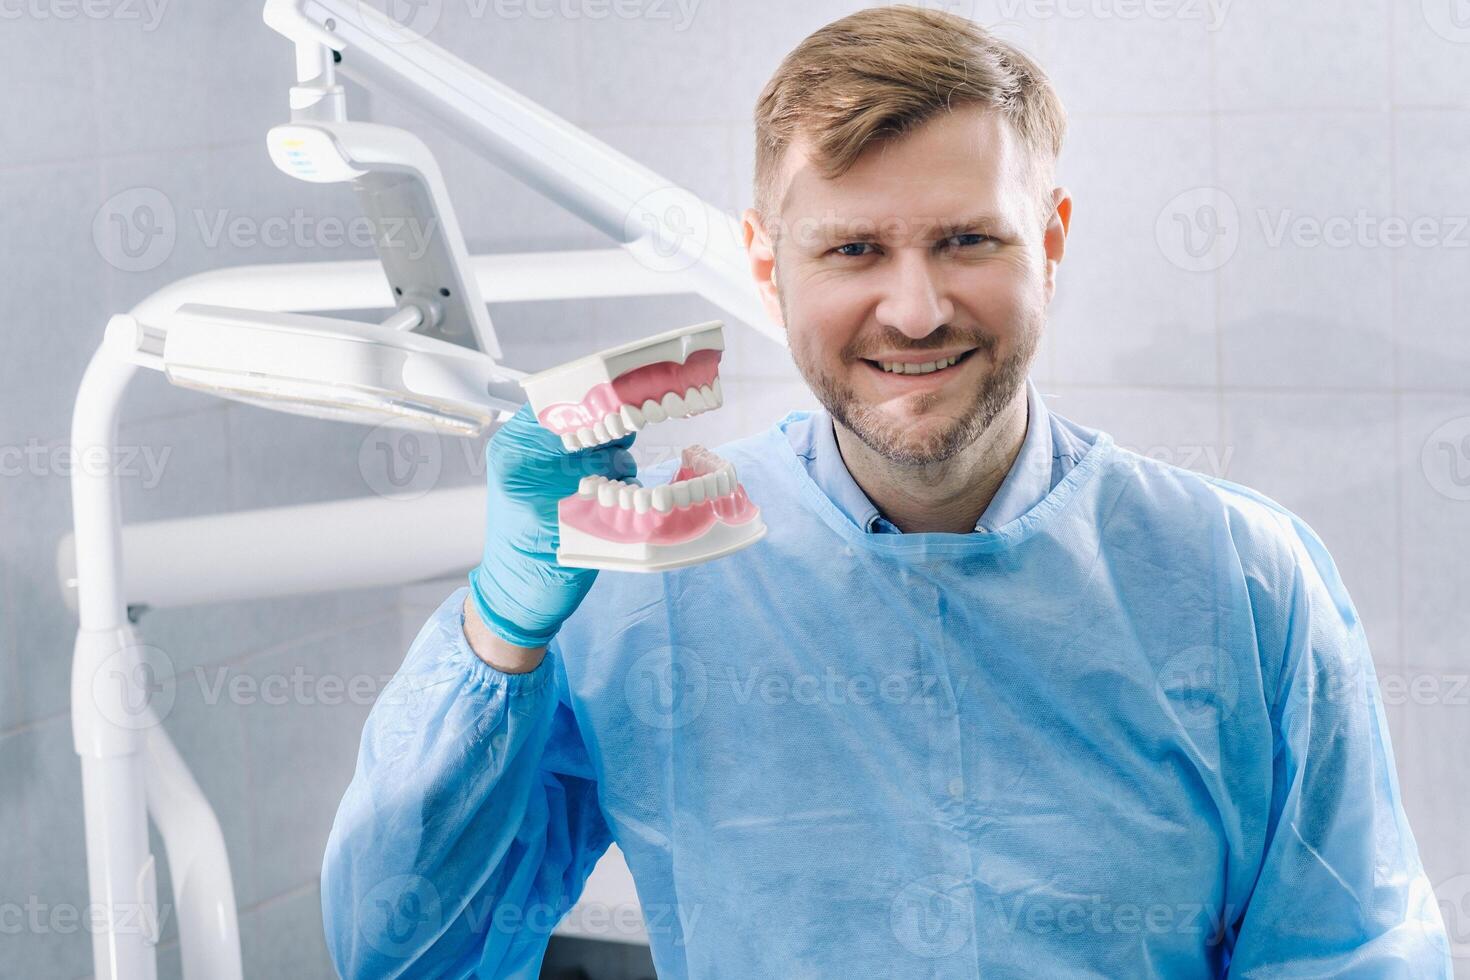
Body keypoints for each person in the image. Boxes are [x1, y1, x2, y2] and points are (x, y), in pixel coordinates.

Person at [320, 7, 1452, 977]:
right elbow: (412, 952)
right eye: (854, 250)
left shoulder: (1242, 584)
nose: (914, 310)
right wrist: (500, 635)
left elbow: (1348, 951)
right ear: (768, 269)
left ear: (1050, 244)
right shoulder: (640, 584)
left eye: (967, 240)